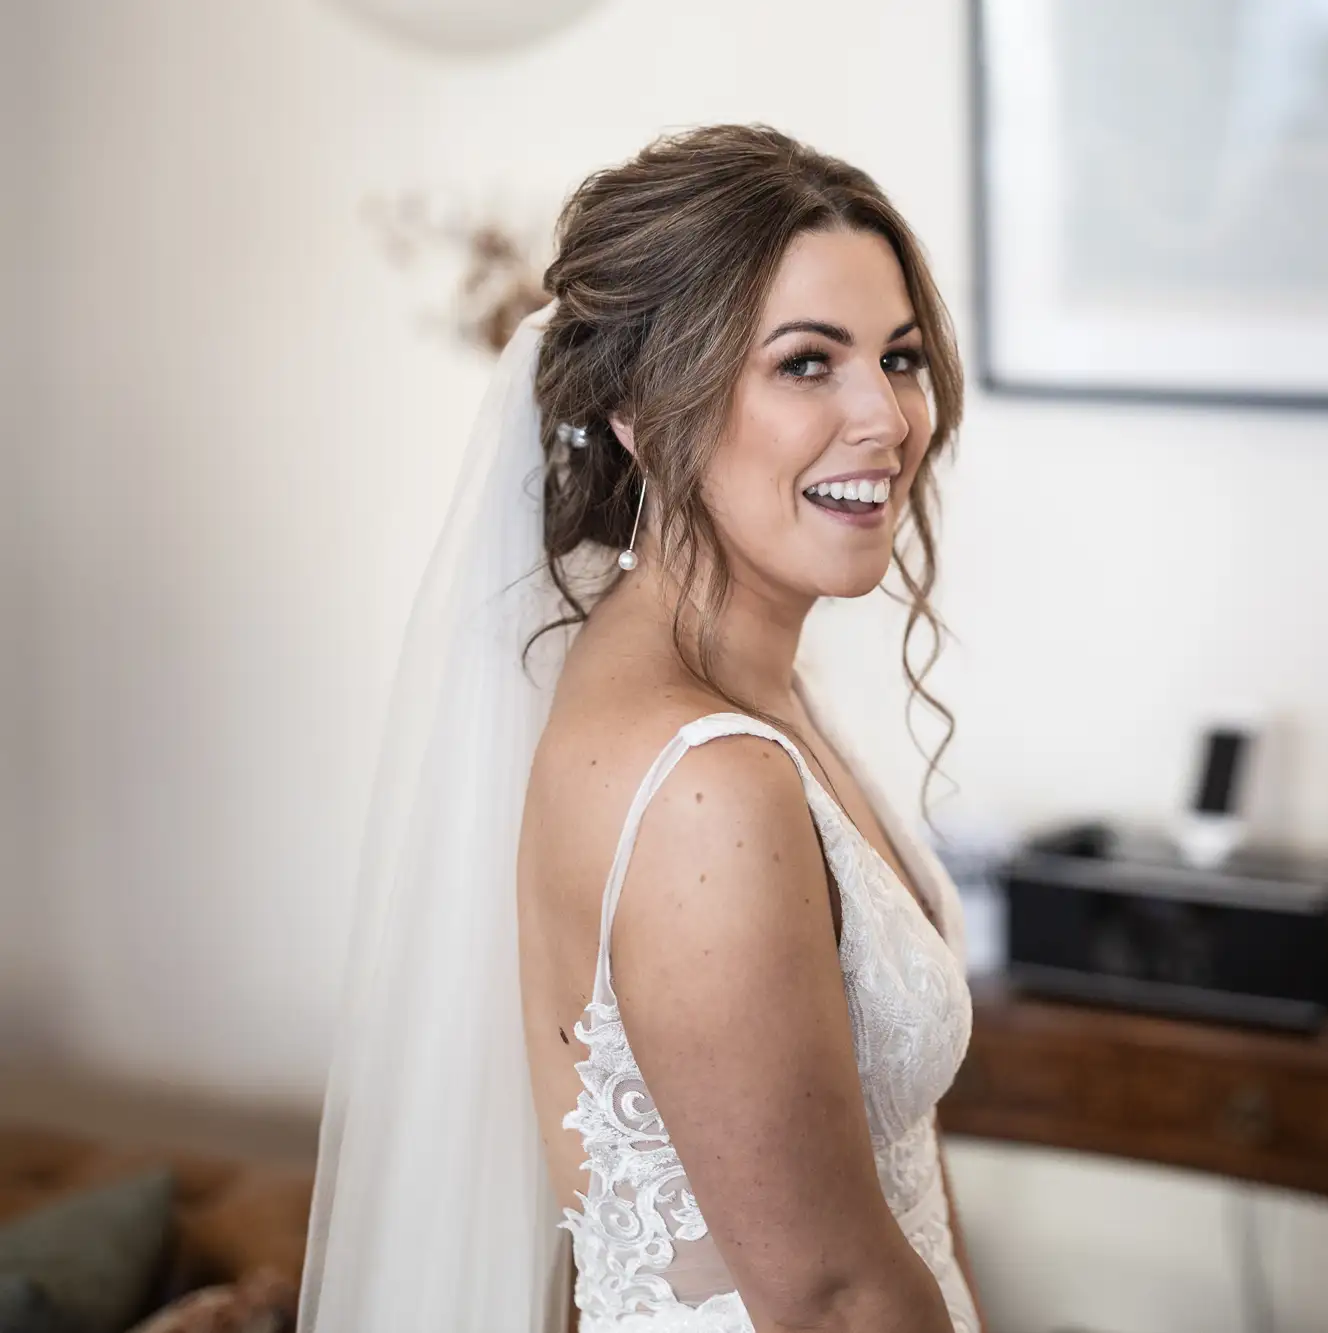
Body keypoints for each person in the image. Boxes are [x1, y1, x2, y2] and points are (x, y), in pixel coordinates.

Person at [299, 125, 980, 1333]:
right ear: (635, 406)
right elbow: (823, 1300)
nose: (886, 417)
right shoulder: (704, 784)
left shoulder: (753, 688)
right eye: (807, 364)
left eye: (901, 356)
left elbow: (897, 1184)